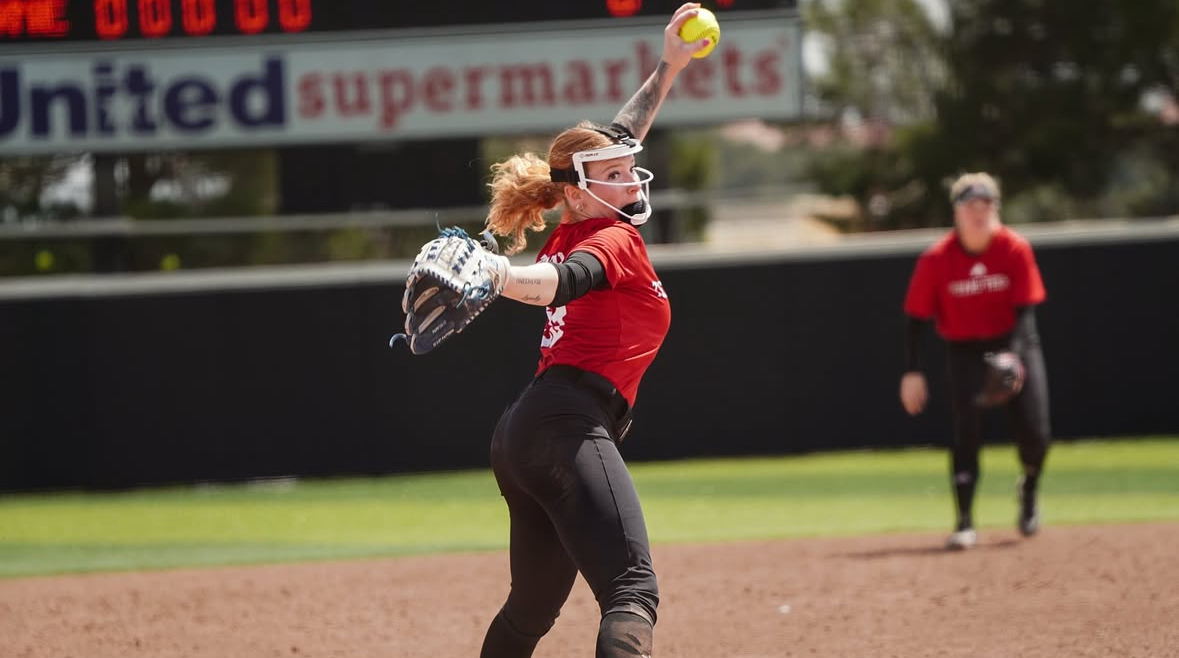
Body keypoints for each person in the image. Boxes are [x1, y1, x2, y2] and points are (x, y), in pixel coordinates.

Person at [472, 5, 711, 656]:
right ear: (578, 192)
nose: (631, 176)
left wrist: (669, 64)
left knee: (529, 611)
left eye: (628, 167)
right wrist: (499, 273)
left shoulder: (578, 217)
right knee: (632, 591)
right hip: (567, 424)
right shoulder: (609, 238)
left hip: (523, 433)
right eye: (614, 175)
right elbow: (562, 282)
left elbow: (621, 135)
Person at [899, 172, 1052, 550]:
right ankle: (964, 521)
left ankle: (1029, 487)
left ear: (996, 209)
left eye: (986, 206)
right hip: (965, 350)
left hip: (1015, 342)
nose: (979, 214)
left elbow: (1026, 311)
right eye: (971, 206)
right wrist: (912, 371)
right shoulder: (936, 259)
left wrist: (1012, 359)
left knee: (1036, 434)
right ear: (957, 212)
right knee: (966, 430)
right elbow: (916, 319)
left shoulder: (1014, 248)